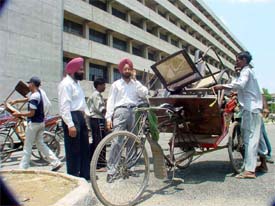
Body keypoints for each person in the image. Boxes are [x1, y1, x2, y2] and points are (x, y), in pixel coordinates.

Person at [213, 51, 268, 179]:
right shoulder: (249, 72)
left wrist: (221, 86)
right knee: (258, 137)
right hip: (253, 108)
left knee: (250, 139)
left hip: (250, 108)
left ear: (244, 60)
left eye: (238, 60)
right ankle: (263, 164)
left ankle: (249, 171)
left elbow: (239, 84)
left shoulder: (246, 71)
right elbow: (237, 87)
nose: (236, 62)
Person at [105, 58, 148, 183]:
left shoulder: (135, 84)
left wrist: (136, 80)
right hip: (120, 112)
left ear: (132, 71)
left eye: (129, 69)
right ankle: (111, 171)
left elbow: (145, 93)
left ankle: (130, 167)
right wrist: (109, 117)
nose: (127, 70)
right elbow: (111, 101)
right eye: (125, 69)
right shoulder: (116, 84)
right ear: (121, 70)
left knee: (132, 141)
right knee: (117, 141)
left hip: (134, 112)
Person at [11, 76, 62, 171]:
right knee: (40, 144)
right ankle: (56, 162)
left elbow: (31, 113)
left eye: (29, 83)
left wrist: (19, 113)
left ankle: (23, 167)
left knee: (27, 146)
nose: (28, 85)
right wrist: (17, 101)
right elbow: (29, 99)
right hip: (40, 123)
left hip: (33, 124)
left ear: (32, 84)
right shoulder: (40, 93)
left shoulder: (34, 96)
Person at [58, 57, 90, 180]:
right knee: (73, 150)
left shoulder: (77, 84)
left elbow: (82, 103)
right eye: (81, 69)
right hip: (71, 117)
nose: (83, 72)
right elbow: (64, 106)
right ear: (73, 70)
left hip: (80, 117)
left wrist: (87, 117)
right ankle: (73, 177)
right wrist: (70, 124)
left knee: (84, 148)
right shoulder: (65, 84)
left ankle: (84, 175)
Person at [87, 78, 107, 171]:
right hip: (97, 119)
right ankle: (99, 164)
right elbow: (101, 108)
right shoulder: (96, 95)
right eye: (103, 85)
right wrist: (110, 111)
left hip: (97, 119)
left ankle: (94, 161)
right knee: (100, 141)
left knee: (98, 140)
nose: (105, 87)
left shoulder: (97, 95)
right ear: (99, 85)